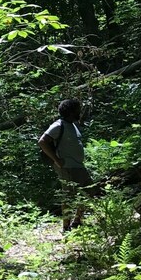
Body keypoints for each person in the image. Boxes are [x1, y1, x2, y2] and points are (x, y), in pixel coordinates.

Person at [38, 98, 93, 231]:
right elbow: (42, 142)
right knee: (68, 195)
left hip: (78, 166)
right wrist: (57, 160)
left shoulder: (73, 125)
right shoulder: (58, 125)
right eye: (77, 109)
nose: (79, 112)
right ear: (71, 111)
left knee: (88, 191)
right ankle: (66, 227)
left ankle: (77, 221)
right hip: (66, 166)